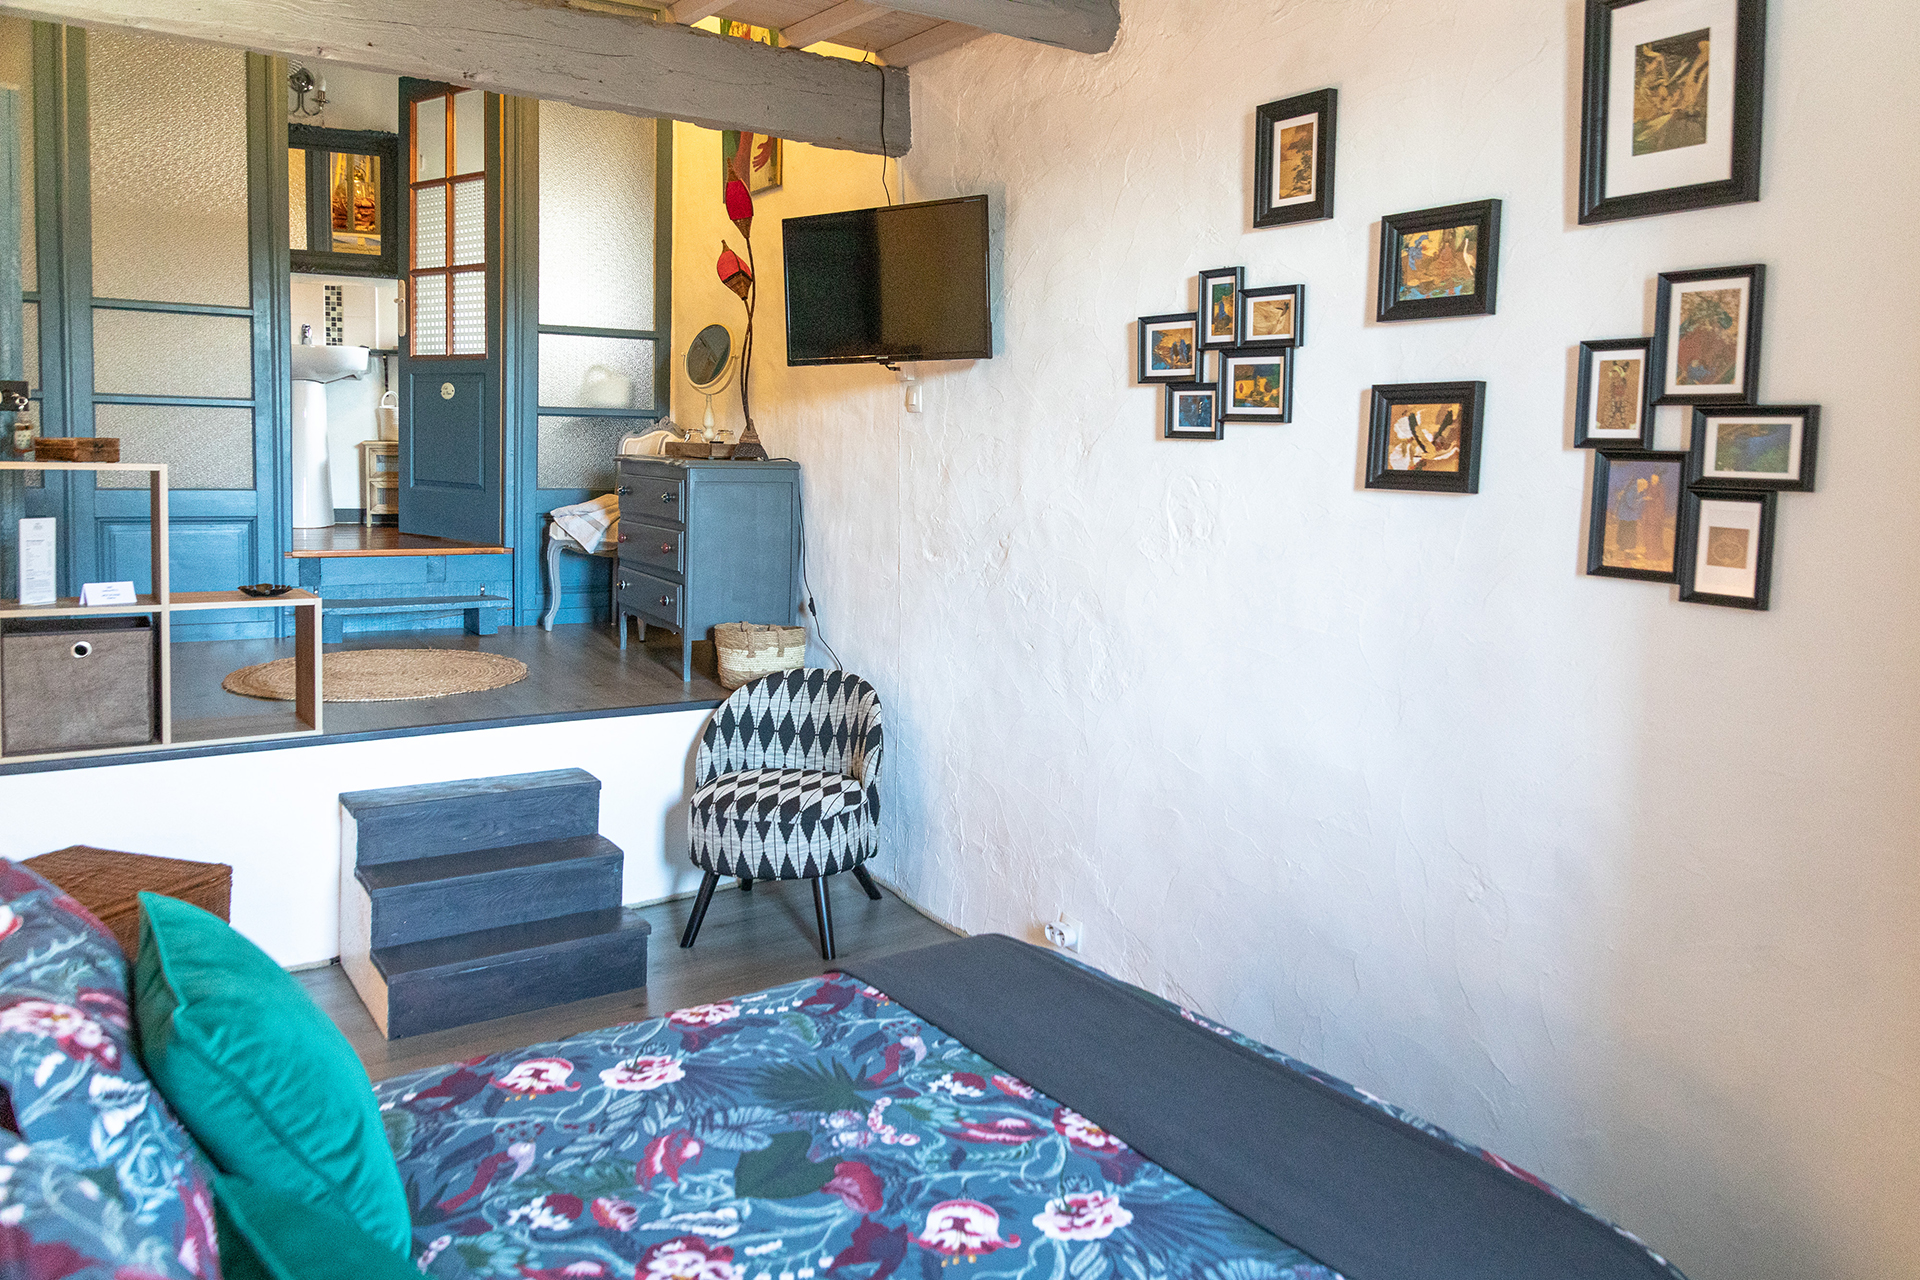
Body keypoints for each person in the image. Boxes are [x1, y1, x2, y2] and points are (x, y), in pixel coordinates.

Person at [1614, 476, 1648, 558]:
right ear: (1640, 485)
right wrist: (1642, 499)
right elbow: (1631, 504)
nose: (1643, 489)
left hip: (1629, 516)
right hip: (1626, 516)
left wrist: (1641, 497)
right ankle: (1626, 551)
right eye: (1643, 487)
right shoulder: (1632, 490)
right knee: (1628, 532)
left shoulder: (1636, 490)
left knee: (1630, 532)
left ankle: (1627, 550)